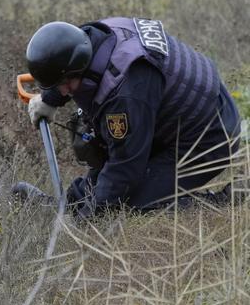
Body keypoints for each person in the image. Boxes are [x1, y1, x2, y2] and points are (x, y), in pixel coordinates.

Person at [25, 19, 242, 218]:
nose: (63, 91)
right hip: (174, 117)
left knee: (130, 202)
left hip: (210, 136)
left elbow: (124, 170)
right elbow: (65, 56)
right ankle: (69, 204)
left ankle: (227, 202)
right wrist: (49, 97)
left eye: (65, 84)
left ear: (79, 66)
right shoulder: (92, 37)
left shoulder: (126, 92)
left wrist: (84, 223)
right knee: (113, 169)